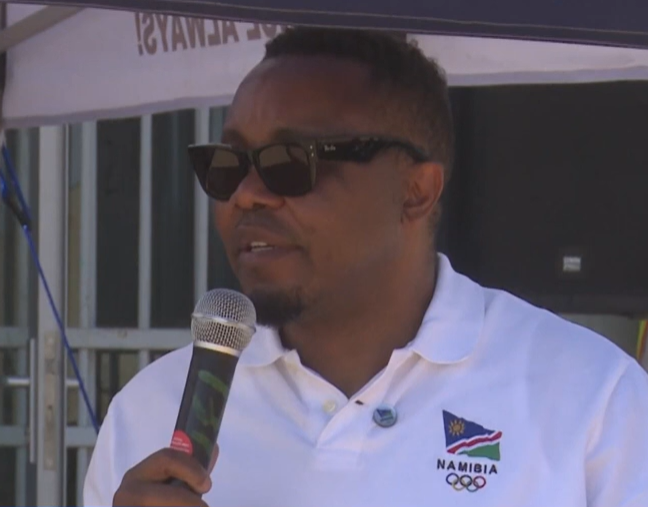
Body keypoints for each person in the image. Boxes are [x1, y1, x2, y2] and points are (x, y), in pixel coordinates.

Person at [84, 27, 648, 507]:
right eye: (226, 165)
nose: (246, 195)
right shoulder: (150, 415)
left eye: (290, 163)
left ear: (415, 191)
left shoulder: (590, 402)